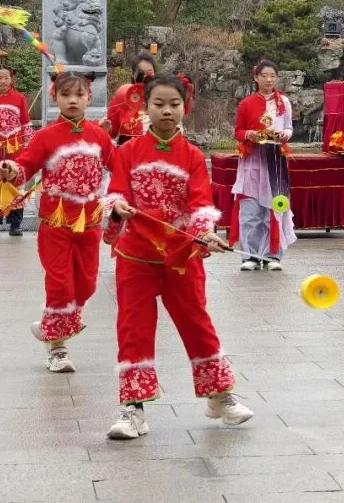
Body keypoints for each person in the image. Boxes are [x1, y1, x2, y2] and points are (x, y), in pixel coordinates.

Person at [104, 74, 253, 439]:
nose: (167, 111)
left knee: (197, 323)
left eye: (174, 104)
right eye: (159, 104)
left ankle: (219, 395)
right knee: (134, 329)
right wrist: (117, 205)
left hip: (182, 255)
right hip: (136, 256)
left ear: (185, 107)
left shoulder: (192, 157)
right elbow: (115, 191)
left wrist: (205, 232)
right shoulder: (127, 152)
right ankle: (133, 410)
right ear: (146, 106)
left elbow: (201, 201)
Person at [0, 72, 115, 373]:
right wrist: (11, 169)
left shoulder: (99, 136)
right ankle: (57, 347)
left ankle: (50, 323)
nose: (72, 101)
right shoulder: (45, 136)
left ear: (89, 98)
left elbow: (118, 167)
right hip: (56, 225)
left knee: (87, 285)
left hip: (89, 224)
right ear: (54, 98)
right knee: (60, 284)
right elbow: (26, 165)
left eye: (79, 95)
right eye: (66, 95)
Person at [230, 60, 295, 272]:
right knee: (250, 211)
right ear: (256, 77)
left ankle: (272, 255)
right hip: (252, 160)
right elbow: (238, 132)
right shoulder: (246, 104)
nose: (269, 80)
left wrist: (284, 135)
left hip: (275, 160)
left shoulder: (283, 102)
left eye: (272, 76)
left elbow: (289, 128)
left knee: (274, 208)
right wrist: (249, 134)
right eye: (264, 75)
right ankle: (249, 256)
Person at [0, 64, 32, 236]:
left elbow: (25, 123)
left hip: (15, 146)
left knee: (15, 180)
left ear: (12, 79)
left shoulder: (19, 98)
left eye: (6, 78)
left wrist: (30, 144)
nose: (3, 81)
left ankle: (15, 225)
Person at [104, 52, 156, 145]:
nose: (145, 77)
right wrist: (106, 129)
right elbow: (111, 131)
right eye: (141, 73)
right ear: (133, 75)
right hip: (128, 148)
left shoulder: (161, 97)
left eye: (149, 72)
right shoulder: (122, 96)